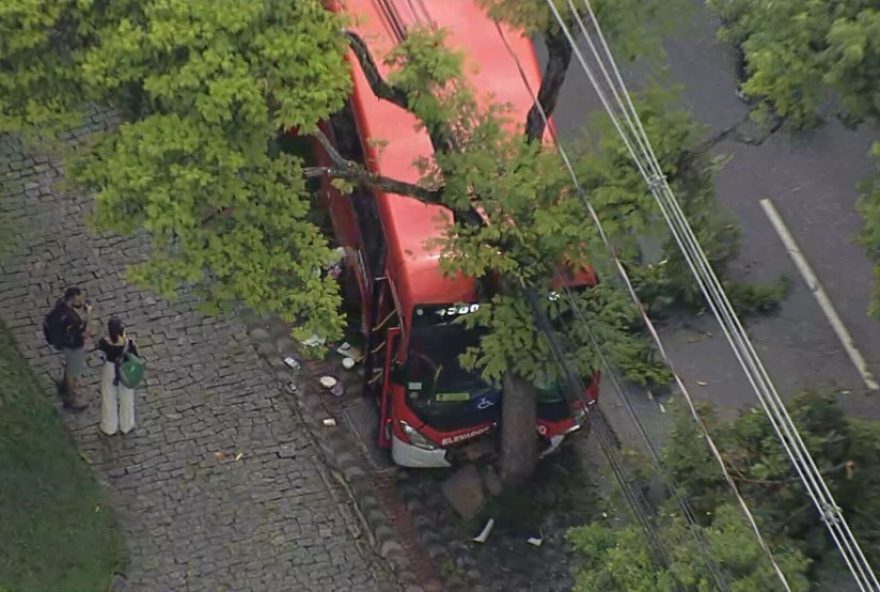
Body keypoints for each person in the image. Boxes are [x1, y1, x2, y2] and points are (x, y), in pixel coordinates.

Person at [97, 318, 139, 436]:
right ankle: (127, 425)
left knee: (108, 396)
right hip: (125, 369)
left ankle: (109, 427)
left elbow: (101, 348)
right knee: (127, 397)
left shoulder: (105, 343)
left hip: (110, 369)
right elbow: (135, 356)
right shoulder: (129, 344)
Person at [53, 287, 92, 411]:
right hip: (74, 346)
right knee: (73, 373)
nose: (81, 302)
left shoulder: (60, 305)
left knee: (69, 367)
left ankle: (64, 387)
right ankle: (70, 400)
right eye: (80, 299)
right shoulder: (72, 318)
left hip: (65, 342)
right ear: (73, 298)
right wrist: (89, 314)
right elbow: (86, 333)